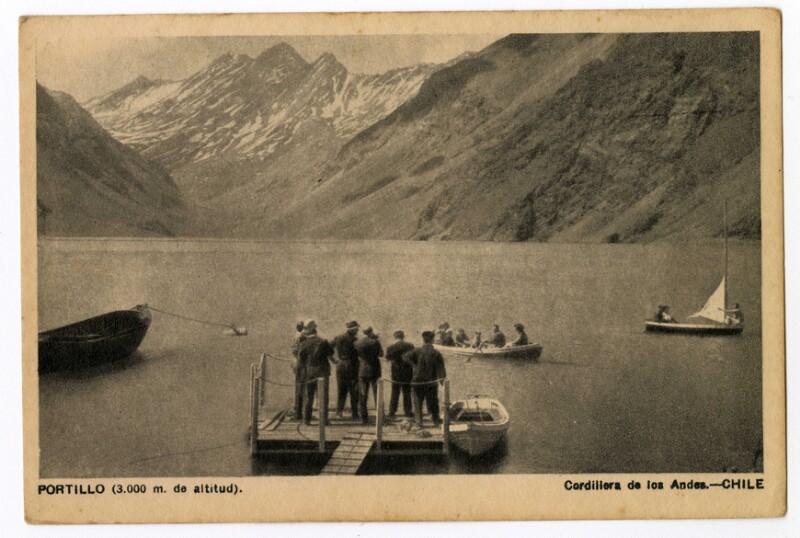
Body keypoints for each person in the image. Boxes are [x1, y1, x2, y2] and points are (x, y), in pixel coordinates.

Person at [403, 331, 447, 427]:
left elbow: (405, 356)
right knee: (433, 402)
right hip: (431, 382)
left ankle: (419, 422)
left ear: (423, 340)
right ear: (432, 340)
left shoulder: (416, 351)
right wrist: (442, 381)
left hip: (417, 381)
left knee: (417, 403)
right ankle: (436, 421)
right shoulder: (436, 353)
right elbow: (441, 369)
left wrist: (414, 365)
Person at [297, 320, 335, 425]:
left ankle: (306, 420)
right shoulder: (323, 341)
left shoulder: (303, 343)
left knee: (309, 396)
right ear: (315, 330)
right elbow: (331, 354)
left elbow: (301, 361)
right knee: (323, 396)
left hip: (310, 372)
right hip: (323, 372)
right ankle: (323, 420)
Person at [330, 320, 361, 419]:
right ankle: (355, 413)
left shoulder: (338, 337)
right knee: (354, 389)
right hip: (352, 365)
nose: (358, 331)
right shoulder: (355, 340)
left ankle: (339, 412)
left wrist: (333, 360)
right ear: (353, 329)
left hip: (340, 365)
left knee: (341, 389)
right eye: (357, 329)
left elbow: (328, 349)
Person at [355, 326, 384, 424]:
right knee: (377, 394)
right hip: (374, 369)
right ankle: (380, 417)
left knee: (363, 395)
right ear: (371, 332)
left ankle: (364, 418)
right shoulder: (375, 342)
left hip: (362, 369)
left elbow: (356, 356)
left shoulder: (357, 343)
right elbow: (381, 354)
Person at [385, 330, 415, 418]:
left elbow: (388, 358)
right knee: (407, 392)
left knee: (395, 392)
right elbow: (413, 357)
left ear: (395, 337)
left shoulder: (390, 347)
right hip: (407, 372)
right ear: (403, 336)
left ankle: (392, 411)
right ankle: (408, 412)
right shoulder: (410, 346)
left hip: (396, 372)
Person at [290, 321, 306, 420]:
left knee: (298, 388)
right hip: (301, 364)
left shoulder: (295, 335)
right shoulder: (301, 336)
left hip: (296, 362)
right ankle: (300, 412)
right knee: (302, 389)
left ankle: (298, 410)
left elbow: (294, 350)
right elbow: (297, 351)